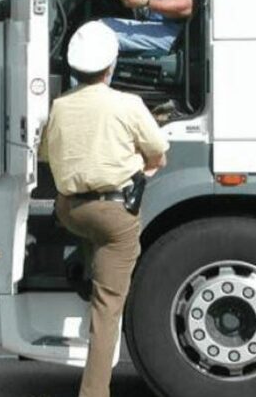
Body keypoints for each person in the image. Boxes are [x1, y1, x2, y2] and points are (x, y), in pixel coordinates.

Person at [38, 20, 170, 397]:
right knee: (107, 307)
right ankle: (94, 392)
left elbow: (47, 154)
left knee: (92, 235)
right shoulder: (129, 104)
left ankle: (85, 268)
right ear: (112, 66)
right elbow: (158, 152)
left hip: (72, 211)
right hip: (115, 215)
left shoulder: (59, 107)